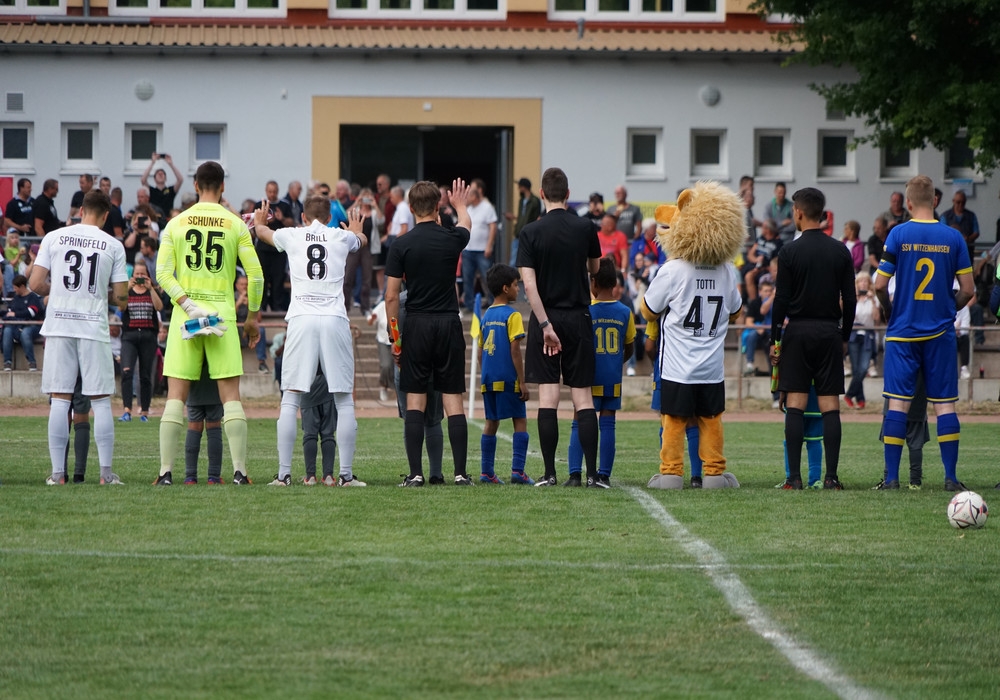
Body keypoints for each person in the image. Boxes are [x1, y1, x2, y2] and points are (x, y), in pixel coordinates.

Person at [154, 161, 264, 487]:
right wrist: (252, 318)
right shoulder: (235, 225)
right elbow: (256, 276)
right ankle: (240, 472)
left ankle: (165, 473)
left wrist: (188, 305)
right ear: (223, 186)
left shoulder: (176, 223)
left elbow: (163, 274)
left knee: (175, 396)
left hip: (185, 317)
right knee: (231, 397)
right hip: (222, 316)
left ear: (195, 185)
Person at [253, 194, 366, 487]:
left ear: (303, 217)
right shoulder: (340, 236)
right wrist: (357, 229)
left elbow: (263, 233)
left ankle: (284, 474)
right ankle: (345, 475)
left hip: (302, 317)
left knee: (290, 398)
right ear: (329, 218)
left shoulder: (293, 234)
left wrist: (259, 221)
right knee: (343, 399)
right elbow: (360, 240)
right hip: (333, 317)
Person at [874, 175, 974, 491]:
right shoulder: (954, 237)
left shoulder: (898, 233)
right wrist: (949, 308)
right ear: (935, 201)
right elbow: (968, 289)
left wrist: (889, 309)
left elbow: (879, 284)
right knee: (945, 406)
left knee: (898, 404)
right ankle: (950, 478)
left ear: (907, 202)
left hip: (903, 332)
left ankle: (892, 479)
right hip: (940, 333)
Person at [641, 183, 744, 490]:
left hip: (677, 366)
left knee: (673, 420)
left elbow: (648, 310)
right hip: (711, 367)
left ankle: (671, 473)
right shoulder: (726, 271)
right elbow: (736, 312)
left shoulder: (673, 270)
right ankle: (714, 474)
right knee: (710, 420)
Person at [28, 190, 129, 486]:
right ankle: (105, 474)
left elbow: (34, 283)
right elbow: (122, 298)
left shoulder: (54, 237)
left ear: (81, 210)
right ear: (106, 215)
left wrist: (58, 291)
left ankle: (58, 474)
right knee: (100, 399)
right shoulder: (113, 245)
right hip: (92, 325)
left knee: (60, 398)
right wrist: (102, 293)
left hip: (59, 323)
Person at [386, 179, 473, 487]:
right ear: (438, 207)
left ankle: (415, 474)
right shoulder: (451, 238)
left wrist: (395, 338)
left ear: (410, 208)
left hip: (418, 324)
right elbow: (466, 225)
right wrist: (460, 205)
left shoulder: (401, 245)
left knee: (415, 400)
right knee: (453, 400)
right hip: (448, 322)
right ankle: (460, 474)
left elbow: (392, 297)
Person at [517, 167, 601, 487]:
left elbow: (529, 285)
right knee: (583, 398)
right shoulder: (585, 227)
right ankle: (591, 475)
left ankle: (550, 473)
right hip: (578, 316)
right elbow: (595, 267)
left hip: (546, 317)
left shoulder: (530, 232)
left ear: (541, 194)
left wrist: (545, 324)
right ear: (567, 194)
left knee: (548, 397)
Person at [769, 186, 856, 490]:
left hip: (798, 332)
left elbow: (781, 300)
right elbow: (850, 299)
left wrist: (775, 339)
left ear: (798, 212)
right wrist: (844, 336)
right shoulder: (840, 251)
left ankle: (794, 478)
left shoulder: (789, 252)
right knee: (830, 404)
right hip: (829, 331)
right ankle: (831, 477)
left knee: (795, 402)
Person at [566, 257, 635, 487]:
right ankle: (603, 475)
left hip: (587, 376)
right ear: (615, 283)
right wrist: (615, 361)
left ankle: (575, 474)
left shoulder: (586, 310)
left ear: (593, 282)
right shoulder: (625, 312)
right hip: (611, 376)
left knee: (579, 419)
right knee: (608, 423)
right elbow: (629, 346)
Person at [477, 263, 533, 485]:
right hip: (507, 378)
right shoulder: (513, 315)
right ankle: (518, 471)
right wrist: (522, 381)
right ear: (505, 288)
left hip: (488, 378)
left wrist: (486, 372)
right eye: (515, 285)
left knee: (491, 422)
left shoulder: (486, 316)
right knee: (520, 419)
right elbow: (514, 350)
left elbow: (480, 352)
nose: (518, 289)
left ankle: (486, 472)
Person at [118, 262, 163, 421]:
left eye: (142, 274)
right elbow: (121, 307)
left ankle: (144, 411)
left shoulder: (152, 291)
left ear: (148, 276)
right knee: (127, 372)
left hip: (148, 335)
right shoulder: (128, 291)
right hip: (129, 335)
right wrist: (127, 289)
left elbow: (159, 307)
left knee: (145, 374)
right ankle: (127, 410)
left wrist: (151, 289)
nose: (139, 277)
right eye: (137, 274)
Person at [343, 188, 383, 317]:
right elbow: (345, 215)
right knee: (348, 278)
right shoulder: (355, 211)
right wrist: (356, 202)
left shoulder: (373, 213)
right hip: (354, 246)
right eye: (364, 197)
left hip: (368, 248)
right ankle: (345, 307)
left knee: (367, 279)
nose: (366, 200)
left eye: (368, 197)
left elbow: (381, 220)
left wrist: (375, 205)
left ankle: (365, 307)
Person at [254, 181, 293, 312]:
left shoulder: (284, 205)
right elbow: (254, 223)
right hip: (263, 248)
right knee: (262, 278)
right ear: (266, 191)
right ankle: (262, 306)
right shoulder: (259, 205)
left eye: (274, 191)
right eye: (270, 191)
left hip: (279, 248)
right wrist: (264, 221)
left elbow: (291, 222)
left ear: (278, 191)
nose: (272, 194)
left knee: (278, 278)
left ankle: (277, 306)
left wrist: (282, 218)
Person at [844, 272, 880, 409]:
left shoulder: (873, 299)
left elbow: (877, 319)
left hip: (867, 335)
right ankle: (861, 399)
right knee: (856, 369)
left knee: (863, 368)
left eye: (866, 281)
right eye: (861, 281)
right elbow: (846, 315)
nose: (863, 284)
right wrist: (854, 299)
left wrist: (872, 300)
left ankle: (849, 394)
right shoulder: (852, 298)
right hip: (854, 334)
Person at [183, 365, 224, 485]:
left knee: (193, 426)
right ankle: (214, 477)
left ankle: (190, 477)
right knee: (214, 427)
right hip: (214, 382)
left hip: (194, 378)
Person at [462, 179, 498, 312]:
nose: (467, 198)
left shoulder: (487, 207)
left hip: (482, 250)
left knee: (487, 277)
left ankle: (493, 302)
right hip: (468, 250)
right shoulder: (468, 209)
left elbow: (493, 227)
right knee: (468, 278)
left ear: (474, 196)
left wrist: (489, 245)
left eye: (469, 196)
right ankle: (469, 304)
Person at [300, 369, 341, 486]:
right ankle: (328, 475)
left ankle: (310, 476)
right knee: (328, 434)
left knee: (309, 434)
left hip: (308, 382)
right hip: (328, 382)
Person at [2, 274, 44, 371]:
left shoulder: (33, 297)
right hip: (17, 325)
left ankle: (32, 362)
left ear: (22, 286)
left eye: (15, 288)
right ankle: (7, 362)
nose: (14, 290)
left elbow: (32, 312)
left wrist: (16, 314)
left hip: (33, 325)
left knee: (25, 333)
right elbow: (10, 311)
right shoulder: (16, 298)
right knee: (7, 331)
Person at [741, 278, 774, 375]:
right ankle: (749, 363)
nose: (768, 293)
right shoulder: (755, 303)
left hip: (772, 332)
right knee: (752, 335)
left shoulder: (775, 302)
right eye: (766, 291)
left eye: (770, 291)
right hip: (759, 331)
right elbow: (748, 323)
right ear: (760, 292)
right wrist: (758, 327)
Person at [141, 153, 184, 225]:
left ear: (166, 178)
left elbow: (180, 180)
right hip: (154, 221)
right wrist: (152, 162)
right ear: (154, 179)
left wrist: (171, 164)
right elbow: (143, 180)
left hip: (168, 221)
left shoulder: (171, 190)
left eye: (162, 173)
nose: (160, 174)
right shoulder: (151, 190)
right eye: (158, 173)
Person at [506, 177, 542, 262]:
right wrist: (514, 218)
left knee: (529, 260)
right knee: (513, 261)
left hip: (529, 235)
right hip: (519, 234)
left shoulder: (534, 201)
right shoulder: (521, 200)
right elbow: (523, 217)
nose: (518, 188)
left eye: (519, 186)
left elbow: (535, 218)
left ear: (524, 187)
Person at [940, 191, 979, 263]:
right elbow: (941, 233)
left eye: (963, 202)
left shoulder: (971, 215)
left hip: (967, 252)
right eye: (958, 202)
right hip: (950, 252)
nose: (960, 204)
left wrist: (968, 238)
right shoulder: (945, 216)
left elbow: (976, 232)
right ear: (953, 201)